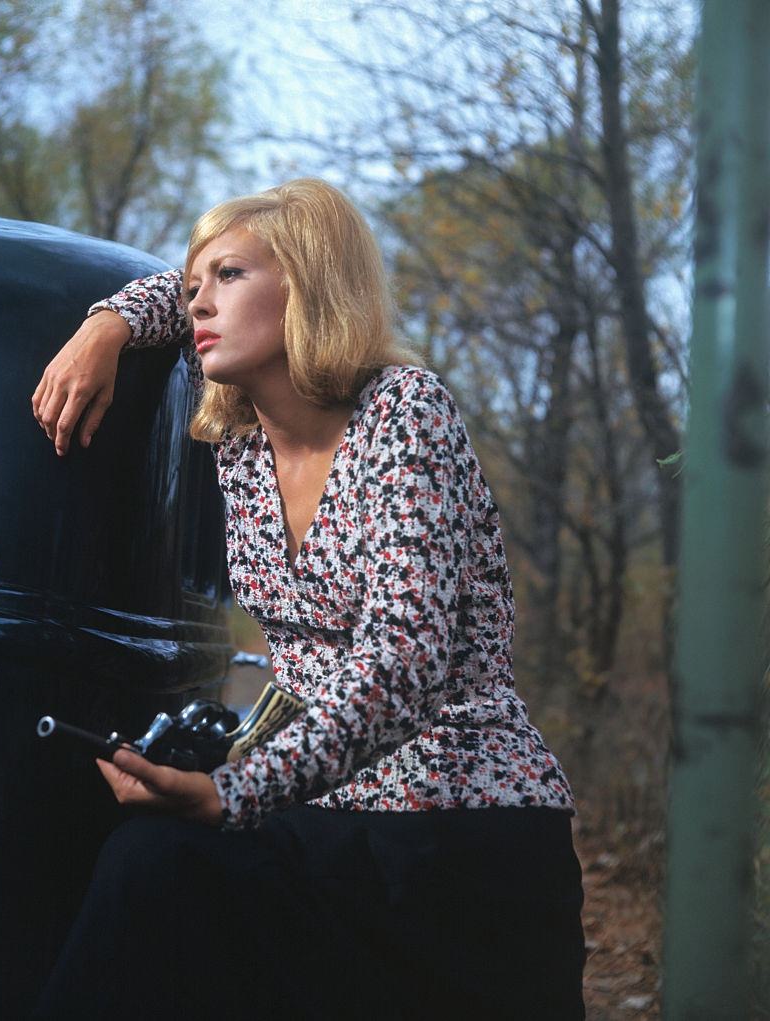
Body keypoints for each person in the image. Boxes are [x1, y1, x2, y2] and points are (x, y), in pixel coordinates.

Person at [30, 178, 585, 1019]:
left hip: (461, 825)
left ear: (310, 285)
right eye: (192, 288)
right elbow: (163, 298)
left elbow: (404, 659)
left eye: (228, 277)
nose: (197, 305)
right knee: (143, 865)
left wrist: (237, 791)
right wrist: (104, 325)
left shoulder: (405, 411)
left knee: (158, 869)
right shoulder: (242, 446)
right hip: (328, 822)